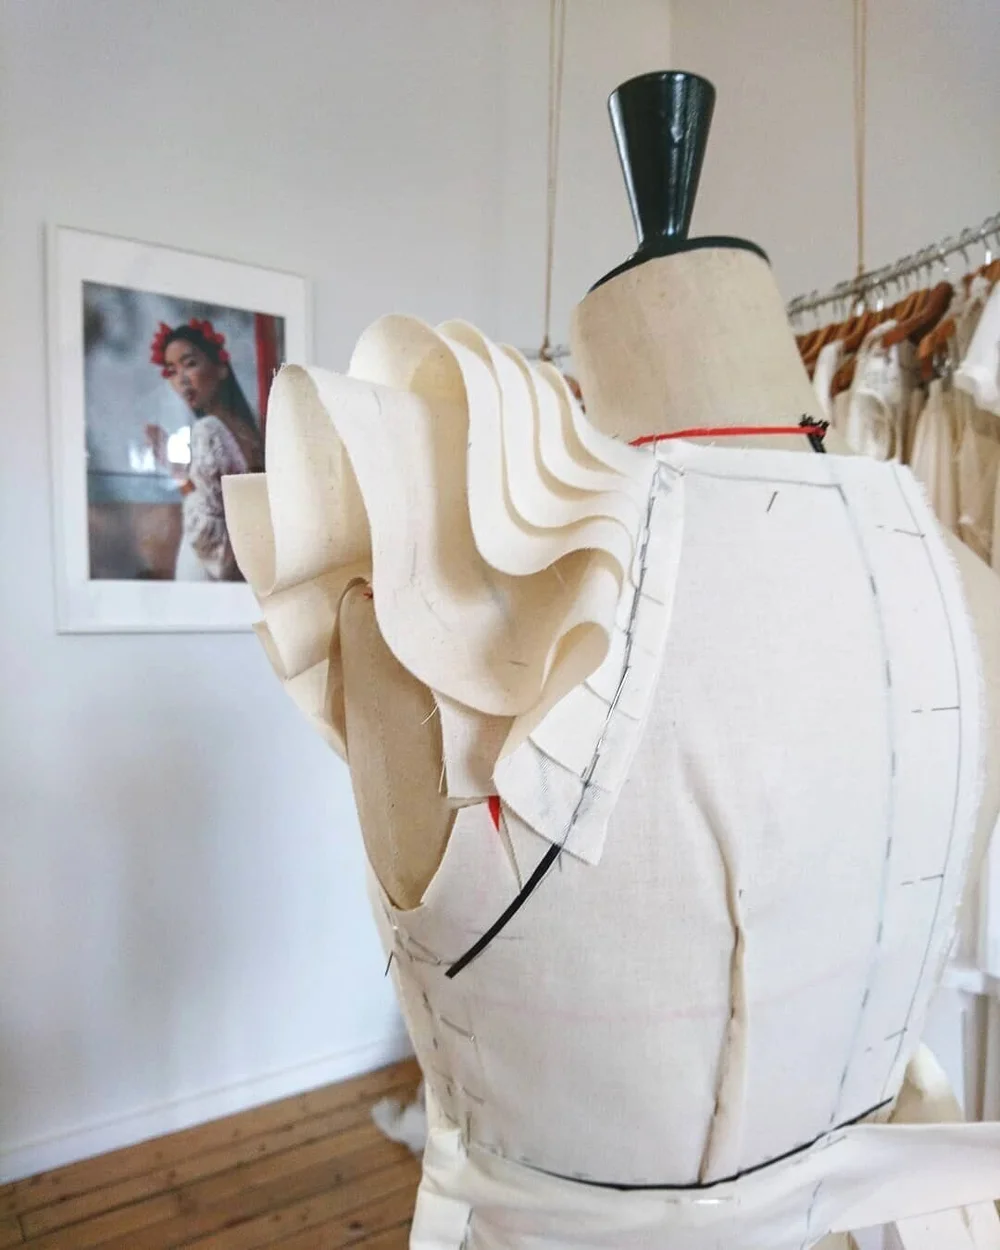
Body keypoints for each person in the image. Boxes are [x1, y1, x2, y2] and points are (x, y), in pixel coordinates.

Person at [145, 318, 264, 581]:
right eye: (172, 371)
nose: (181, 380)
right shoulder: (249, 430)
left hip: (207, 574)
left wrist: (174, 469)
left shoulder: (209, 430)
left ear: (221, 368)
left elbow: (208, 532)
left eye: (189, 364)